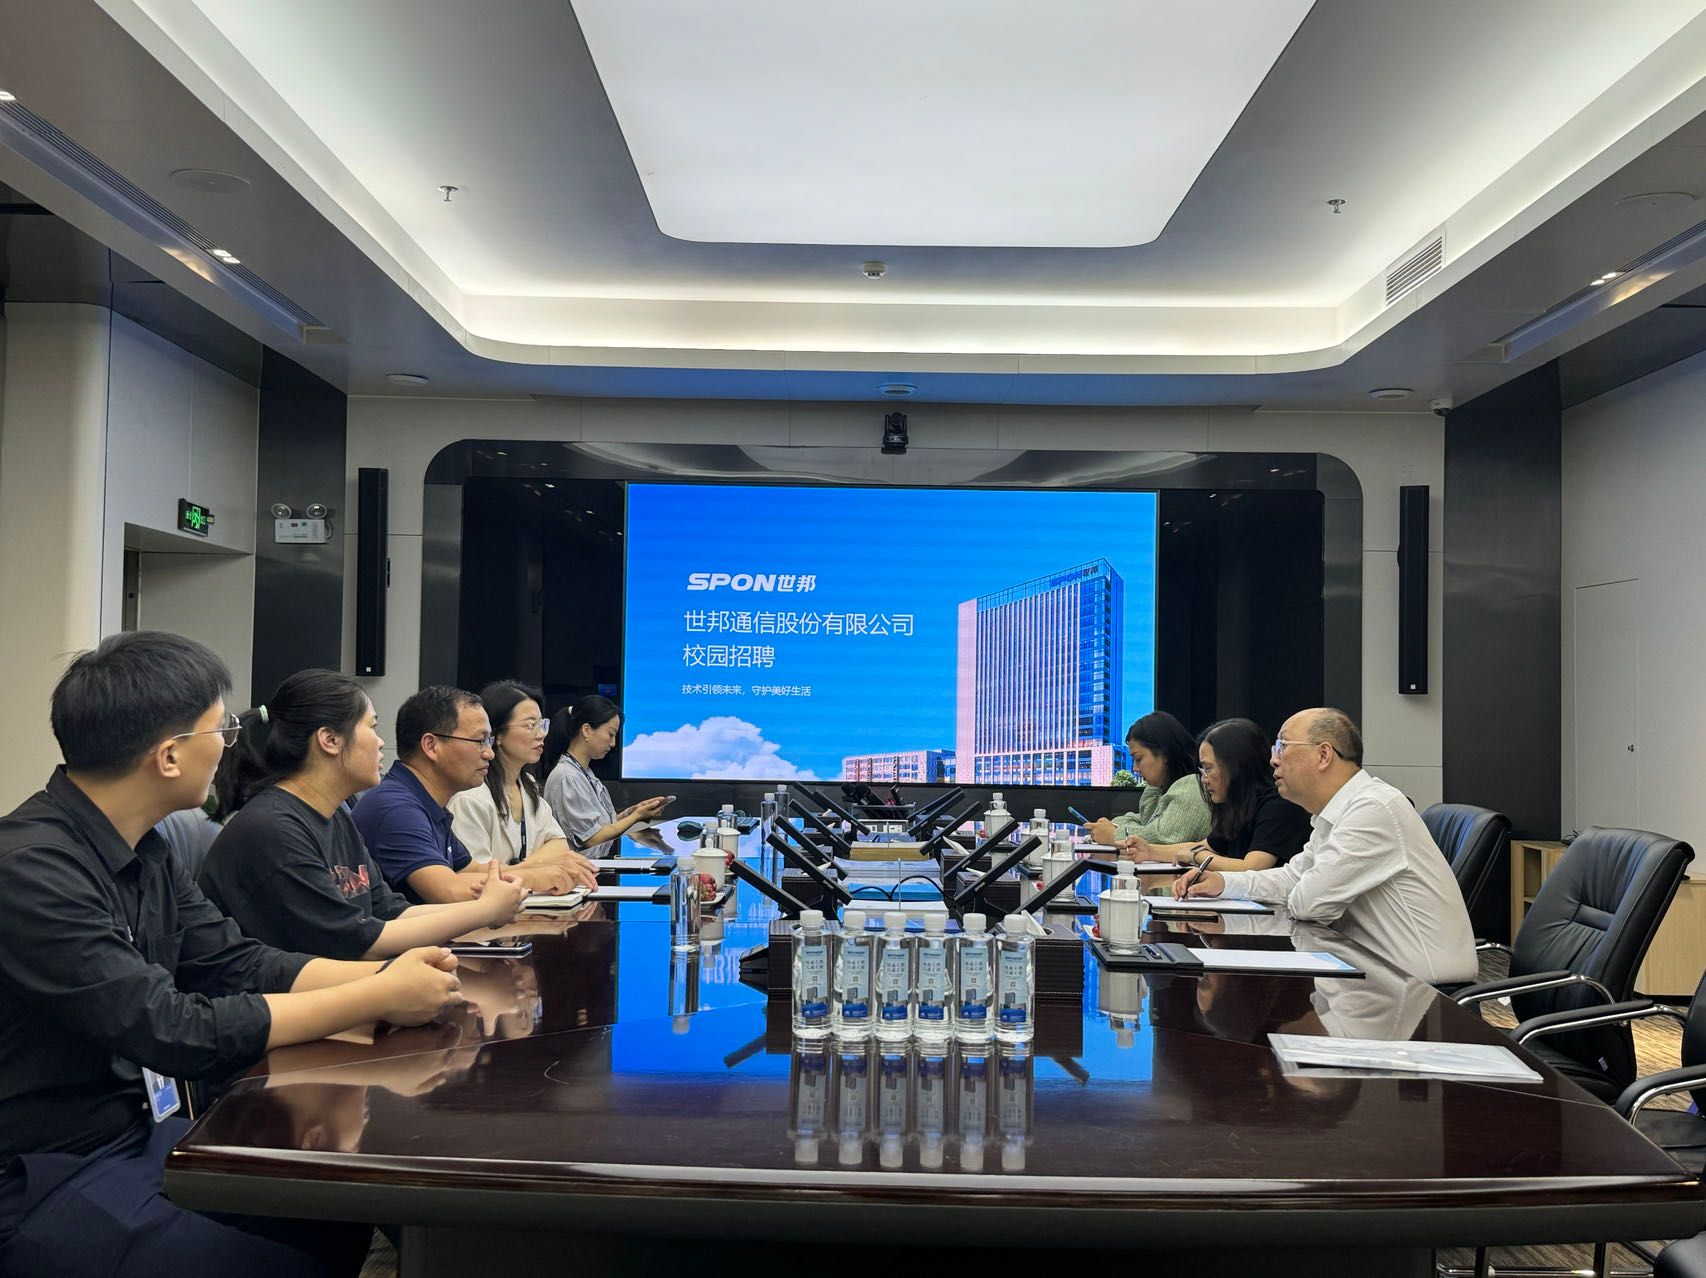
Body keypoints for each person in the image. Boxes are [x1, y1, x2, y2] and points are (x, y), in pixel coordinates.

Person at [0, 632, 464, 1278]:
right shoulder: (30, 869)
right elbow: (168, 1026)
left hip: (133, 1139)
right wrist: (374, 996)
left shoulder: (145, 850)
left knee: (335, 1212)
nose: (231, 745)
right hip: (42, 1173)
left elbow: (238, 962)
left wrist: (389, 980)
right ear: (169, 756)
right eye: (219, 730)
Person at [200, 669, 530, 960]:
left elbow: (388, 912)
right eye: (372, 726)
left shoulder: (336, 817)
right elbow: (357, 942)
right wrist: (482, 911)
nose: (381, 742)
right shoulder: (275, 829)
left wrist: (483, 910)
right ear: (330, 740)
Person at [1181, 707, 1476, 984]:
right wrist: (1223, 883)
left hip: (1422, 994)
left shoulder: (1372, 809)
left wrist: (1291, 887)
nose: (1273, 760)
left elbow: (1308, 904)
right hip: (1367, 974)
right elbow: (1291, 877)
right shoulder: (1334, 814)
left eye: (1282, 746)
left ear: (1323, 755)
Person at [354, 686, 583, 903]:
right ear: (431, 746)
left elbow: (471, 871)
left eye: (489, 741)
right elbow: (448, 890)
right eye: (479, 741)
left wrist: (544, 870)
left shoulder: (427, 802)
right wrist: (533, 877)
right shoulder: (396, 807)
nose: (489, 753)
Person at [448, 681, 597, 889]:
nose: (541, 734)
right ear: (496, 734)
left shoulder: (528, 785)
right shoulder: (470, 797)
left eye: (542, 724)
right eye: (530, 725)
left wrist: (526, 868)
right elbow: (474, 877)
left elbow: (559, 844)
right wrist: (536, 870)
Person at [1123, 718, 1311, 873]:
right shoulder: (1238, 808)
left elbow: (1251, 868)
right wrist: (1149, 851)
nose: (1204, 779)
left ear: (1235, 767)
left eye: (1208, 769)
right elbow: (1202, 846)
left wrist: (1196, 856)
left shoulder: (1278, 806)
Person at [543, 695, 670, 855]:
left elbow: (601, 827)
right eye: (610, 734)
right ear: (586, 730)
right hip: (579, 868)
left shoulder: (584, 772)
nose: (613, 743)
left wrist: (631, 812)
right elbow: (592, 838)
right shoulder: (567, 777)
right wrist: (636, 816)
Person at [1086, 711, 1211, 849]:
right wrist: (1115, 826)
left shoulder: (1193, 787)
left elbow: (1161, 838)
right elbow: (1143, 821)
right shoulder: (1162, 788)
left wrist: (1114, 834)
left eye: (1138, 759)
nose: (1135, 768)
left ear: (1165, 754)